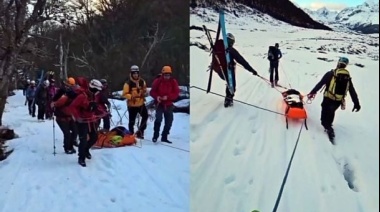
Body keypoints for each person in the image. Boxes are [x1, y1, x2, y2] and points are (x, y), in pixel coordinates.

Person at [307, 57, 361, 140]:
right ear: (346, 65)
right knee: (331, 111)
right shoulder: (347, 77)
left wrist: (312, 92)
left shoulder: (331, 73)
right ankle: (328, 125)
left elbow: (321, 83)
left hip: (328, 97)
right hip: (339, 100)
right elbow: (352, 90)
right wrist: (356, 103)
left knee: (325, 111)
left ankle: (327, 126)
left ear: (338, 63)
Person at [68, 78, 104, 167]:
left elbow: (95, 106)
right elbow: (72, 107)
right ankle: (81, 158)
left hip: (91, 120)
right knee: (83, 140)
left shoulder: (93, 96)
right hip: (82, 121)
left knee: (94, 137)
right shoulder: (82, 96)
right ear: (93, 88)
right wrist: (77, 117)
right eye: (97, 90)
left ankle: (86, 149)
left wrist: (102, 112)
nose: (98, 92)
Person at [223, 33, 258, 107]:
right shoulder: (231, 50)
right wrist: (251, 70)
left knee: (229, 83)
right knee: (232, 85)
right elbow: (241, 61)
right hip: (229, 69)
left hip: (220, 69)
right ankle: (229, 99)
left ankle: (228, 98)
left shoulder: (219, 47)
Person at [150, 65, 180, 143]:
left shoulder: (173, 81)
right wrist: (157, 97)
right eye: (165, 75)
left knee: (169, 121)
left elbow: (176, 93)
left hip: (169, 104)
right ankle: (155, 136)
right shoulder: (158, 81)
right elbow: (152, 91)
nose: (167, 77)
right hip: (159, 104)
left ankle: (164, 137)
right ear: (163, 75)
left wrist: (168, 97)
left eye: (168, 75)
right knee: (158, 119)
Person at [51, 77, 79, 154]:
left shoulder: (73, 93)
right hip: (61, 117)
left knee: (75, 131)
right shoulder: (62, 93)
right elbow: (55, 102)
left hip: (70, 116)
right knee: (67, 134)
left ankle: (71, 145)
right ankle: (67, 148)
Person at [122, 65, 148, 139]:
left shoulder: (142, 81)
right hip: (132, 105)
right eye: (134, 73)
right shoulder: (128, 83)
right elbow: (124, 94)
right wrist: (131, 97)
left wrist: (144, 93)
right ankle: (131, 134)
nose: (135, 75)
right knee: (132, 121)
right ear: (131, 73)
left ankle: (140, 131)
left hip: (141, 103)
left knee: (145, 116)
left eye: (137, 73)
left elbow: (145, 90)